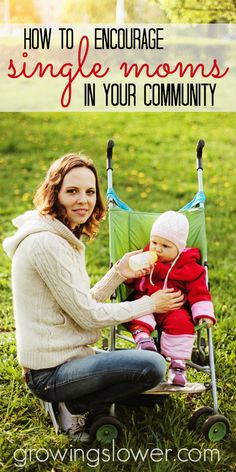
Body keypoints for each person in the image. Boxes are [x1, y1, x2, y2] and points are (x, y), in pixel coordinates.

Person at [3, 153, 184, 438]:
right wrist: (149, 303)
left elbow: (79, 304)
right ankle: (73, 403)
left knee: (156, 392)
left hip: (72, 356)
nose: (83, 201)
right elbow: (87, 316)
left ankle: (83, 397)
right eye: (72, 191)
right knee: (152, 366)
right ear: (55, 193)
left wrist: (119, 273)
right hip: (50, 372)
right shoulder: (45, 244)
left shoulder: (61, 236)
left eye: (89, 192)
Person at [127, 211, 216, 387]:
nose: (157, 249)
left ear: (179, 248)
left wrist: (204, 312)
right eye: (154, 242)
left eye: (165, 246)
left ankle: (178, 365)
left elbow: (199, 291)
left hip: (173, 308)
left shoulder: (189, 267)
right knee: (135, 310)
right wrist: (132, 275)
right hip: (147, 303)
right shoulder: (145, 257)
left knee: (182, 322)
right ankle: (144, 341)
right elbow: (132, 279)